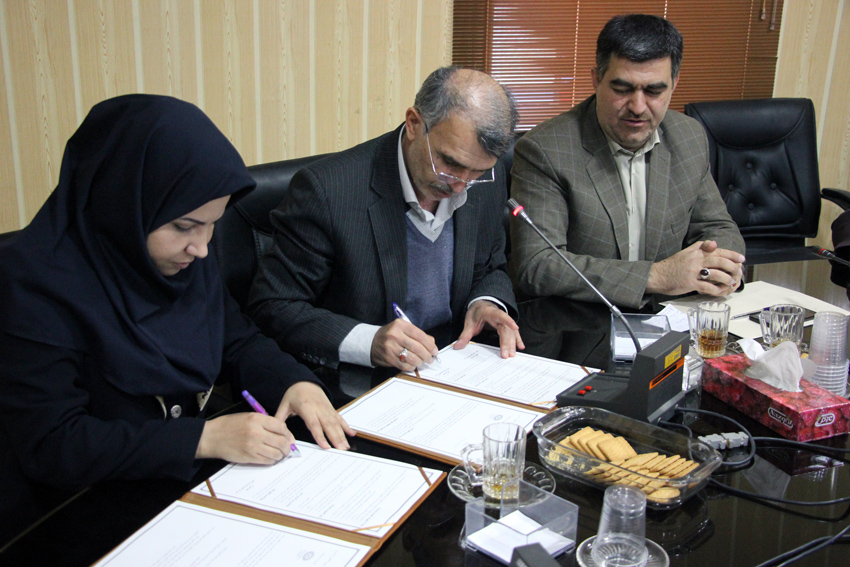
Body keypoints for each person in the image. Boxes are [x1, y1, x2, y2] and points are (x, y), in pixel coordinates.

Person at [0, 95, 353, 544]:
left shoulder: (180, 258)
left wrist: (294, 382)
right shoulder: (31, 284)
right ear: (123, 203)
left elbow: (236, 340)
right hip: (74, 515)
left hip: (181, 494)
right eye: (184, 227)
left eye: (212, 225)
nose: (202, 248)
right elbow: (55, 445)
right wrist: (202, 438)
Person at [248, 67, 523, 372]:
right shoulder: (328, 191)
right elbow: (274, 306)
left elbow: (491, 264)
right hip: (362, 379)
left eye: (477, 172)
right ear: (414, 124)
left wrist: (485, 302)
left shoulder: (483, 181)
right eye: (449, 163)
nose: (460, 185)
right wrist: (369, 341)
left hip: (451, 365)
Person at [509, 14, 746, 309]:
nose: (637, 107)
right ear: (596, 79)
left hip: (670, 317)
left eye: (654, 91)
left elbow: (717, 226)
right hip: (583, 322)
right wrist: (657, 276)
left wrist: (719, 266)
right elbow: (538, 265)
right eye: (622, 89)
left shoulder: (688, 136)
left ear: (674, 83)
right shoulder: (546, 149)